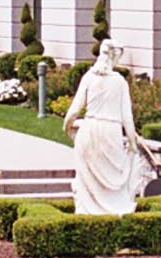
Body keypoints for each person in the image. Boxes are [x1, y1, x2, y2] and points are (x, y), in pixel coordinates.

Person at [63, 40, 151, 215]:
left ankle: (88, 214)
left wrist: (66, 127)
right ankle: (113, 212)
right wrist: (132, 142)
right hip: (111, 131)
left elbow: (74, 110)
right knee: (112, 179)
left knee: (87, 180)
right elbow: (127, 118)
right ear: (114, 57)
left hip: (89, 129)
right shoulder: (119, 82)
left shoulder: (88, 78)